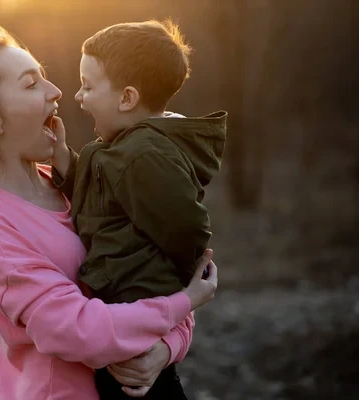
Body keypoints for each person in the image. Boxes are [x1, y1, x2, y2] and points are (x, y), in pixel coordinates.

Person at [0, 23, 218, 400]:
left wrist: (166, 349)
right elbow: (81, 330)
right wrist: (185, 303)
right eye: (31, 84)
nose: (57, 91)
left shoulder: (73, 183)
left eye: (44, 77)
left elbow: (154, 274)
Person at [50, 20, 228, 399]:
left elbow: (188, 230)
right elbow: (108, 200)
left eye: (88, 85)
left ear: (127, 98)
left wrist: (171, 283)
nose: (79, 96)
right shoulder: (126, 149)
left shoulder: (144, 155)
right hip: (129, 315)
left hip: (135, 312)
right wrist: (65, 162)